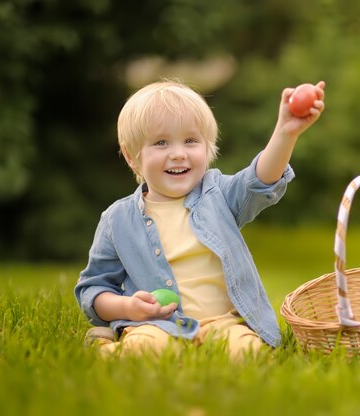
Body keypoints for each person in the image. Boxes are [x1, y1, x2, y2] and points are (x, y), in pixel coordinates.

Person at [75, 79, 325, 358]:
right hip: (158, 324)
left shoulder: (218, 193)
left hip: (223, 322)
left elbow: (260, 180)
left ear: (207, 148)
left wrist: (285, 132)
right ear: (133, 157)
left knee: (249, 354)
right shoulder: (117, 220)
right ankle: (105, 344)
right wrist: (127, 308)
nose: (179, 153)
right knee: (144, 351)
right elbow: (94, 288)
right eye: (161, 142)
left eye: (191, 141)